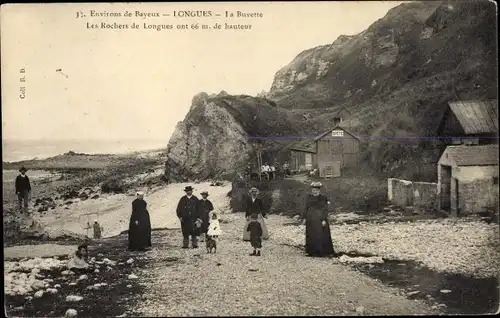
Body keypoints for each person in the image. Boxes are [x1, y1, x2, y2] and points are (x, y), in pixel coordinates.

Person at [301, 182, 335, 257]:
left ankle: (322, 251)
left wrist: (324, 219)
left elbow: (325, 209)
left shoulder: (323, 198)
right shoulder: (308, 197)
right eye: (313, 190)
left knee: (320, 234)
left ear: (319, 190)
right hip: (310, 219)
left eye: (316, 190)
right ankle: (311, 251)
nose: (314, 191)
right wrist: (304, 218)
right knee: (311, 235)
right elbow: (306, 208)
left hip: (319, 219)